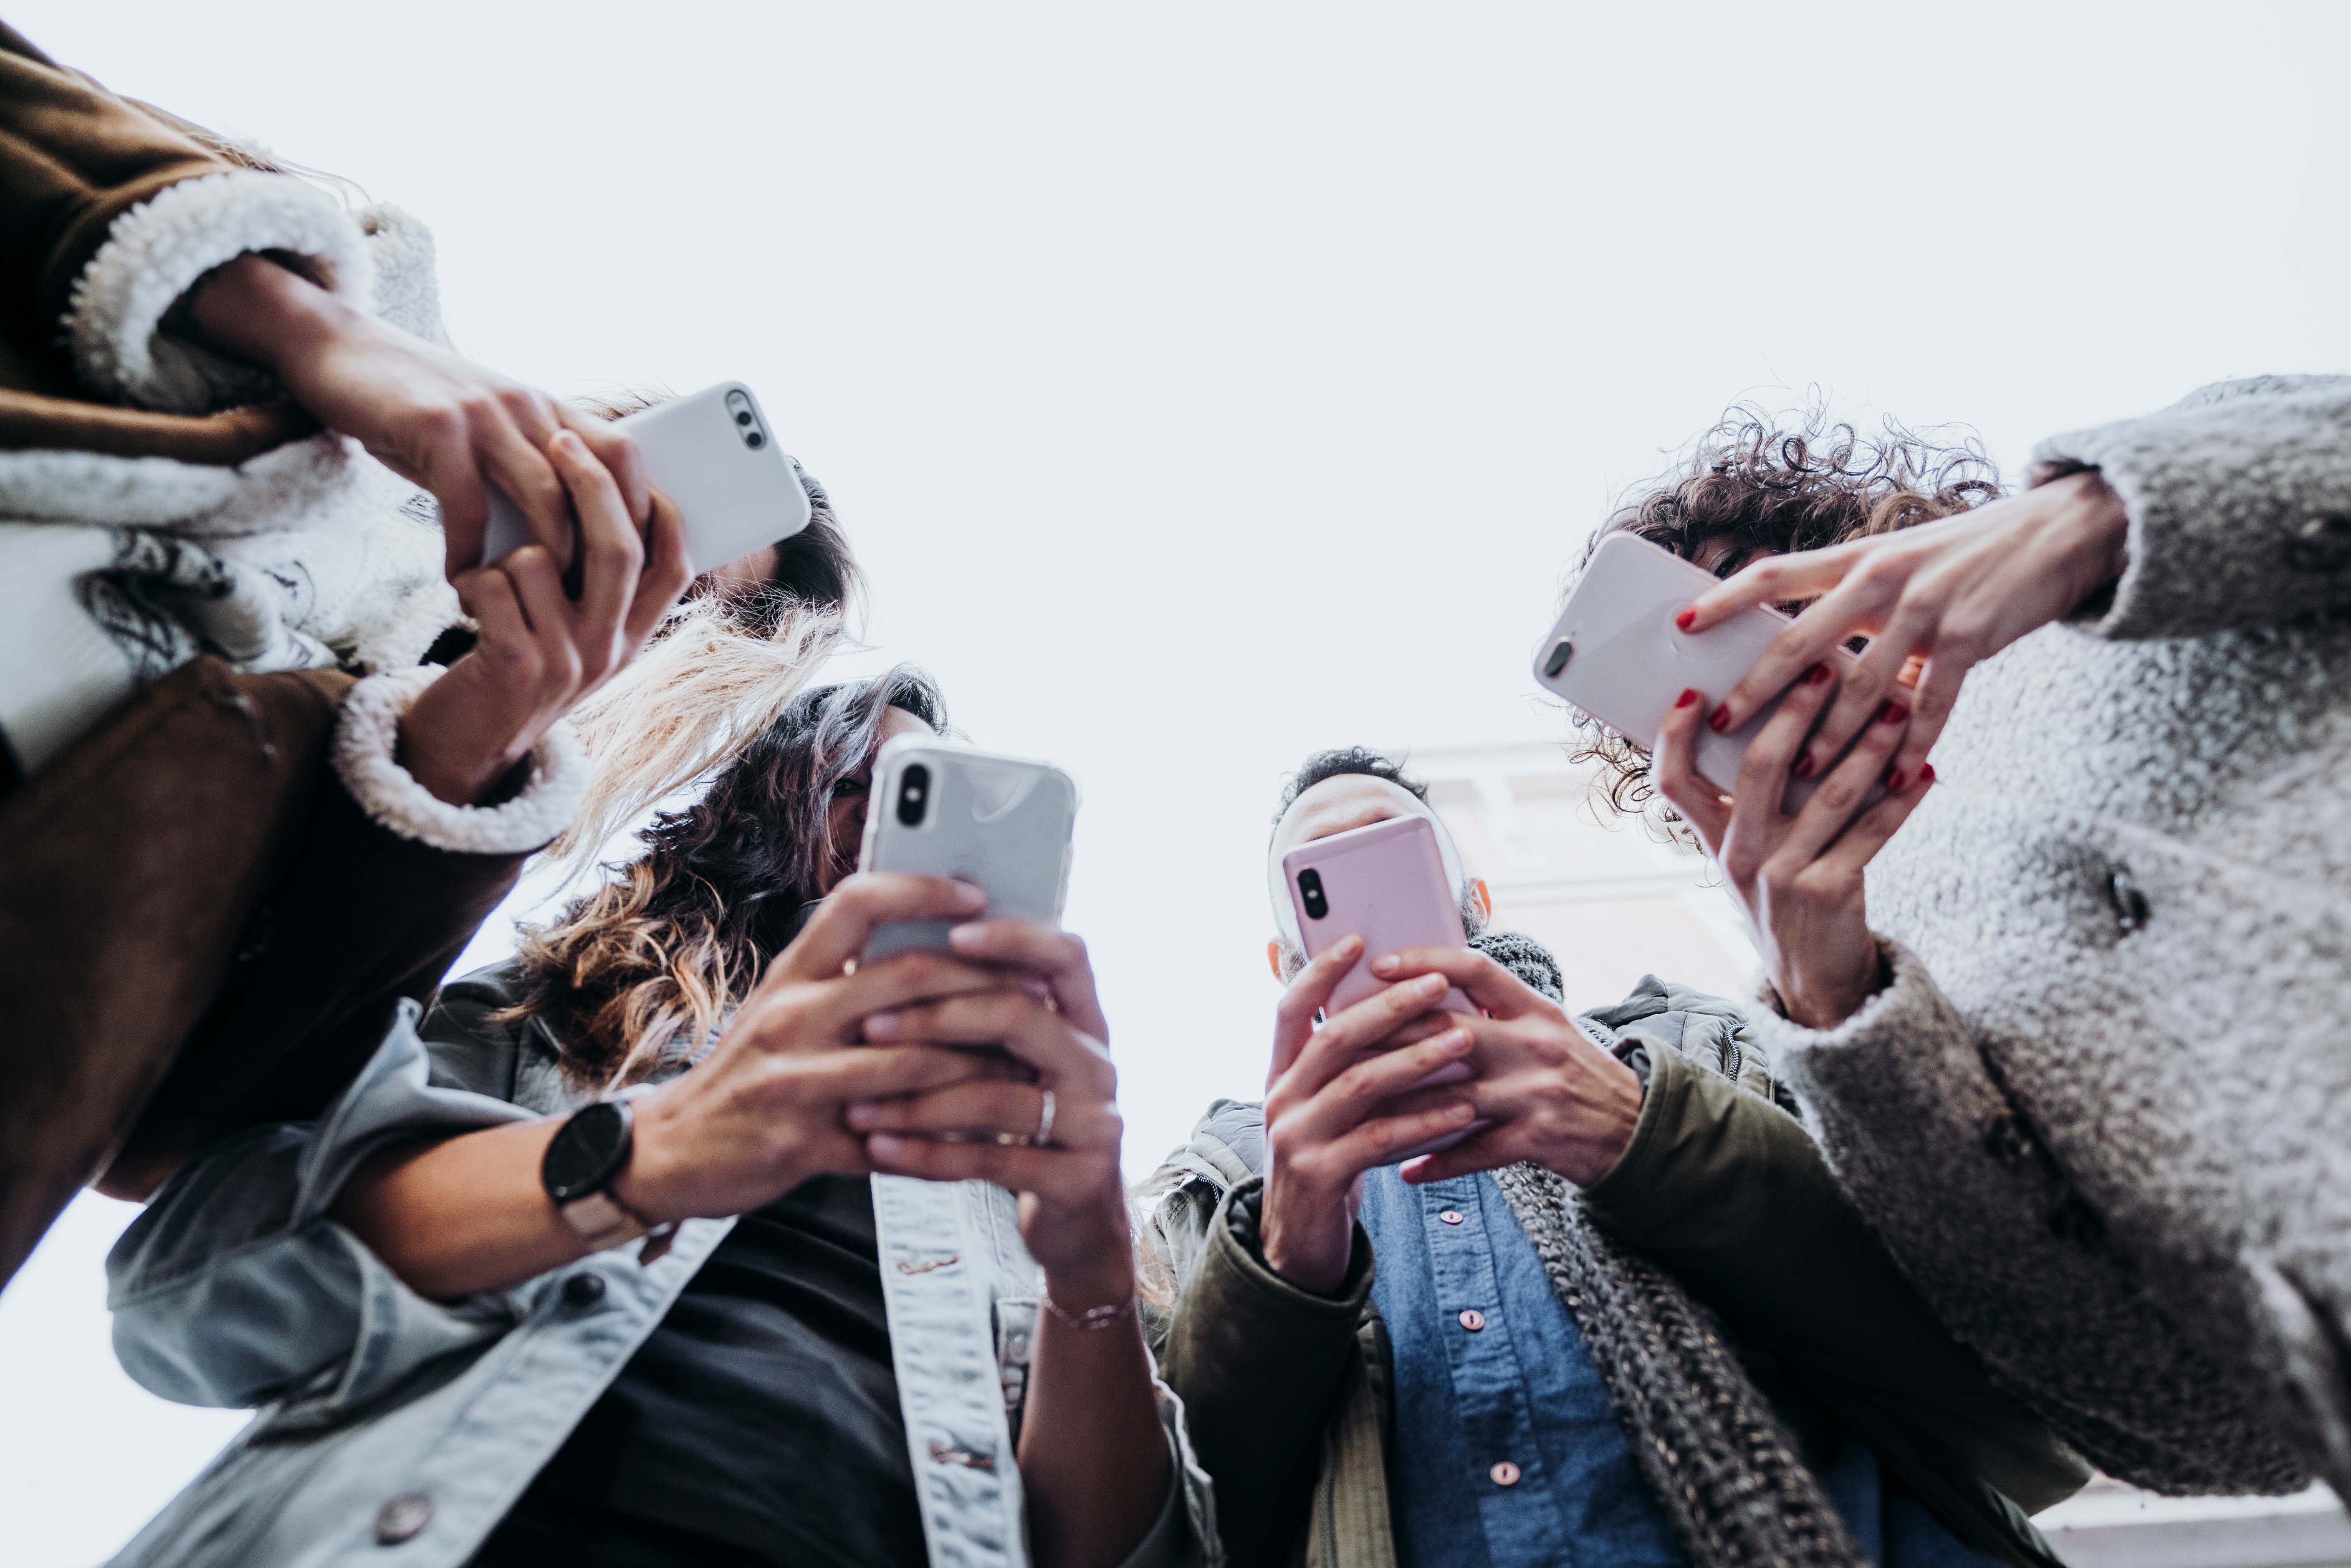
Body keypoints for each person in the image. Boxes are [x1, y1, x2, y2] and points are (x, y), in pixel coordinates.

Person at [0, 19, 847, 1284]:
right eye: (646, 520)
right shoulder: (362, 282)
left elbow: (172, 1141)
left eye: (674, 606)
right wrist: (304, 330)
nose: (626, 576)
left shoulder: (436, 809)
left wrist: (478, 733)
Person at [104, 671, 1217, 1568]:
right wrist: (654, 1152)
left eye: (922, 800)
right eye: (857, 784)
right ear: (771, 805)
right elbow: (190, 1290)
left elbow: (1132, 1551)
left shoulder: (1027, 1165)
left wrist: (1090, 1281)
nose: (887, 831)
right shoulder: (560, 1002)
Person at [1570, 392, 2351, 1501]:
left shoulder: (2131, 565)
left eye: (1756, 597)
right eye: (1691, 702)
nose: (1754, 677)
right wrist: (1841, 1009)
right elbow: (2205, 1437)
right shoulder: (1873, 990)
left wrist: (2107, 516)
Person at [1137, 747, 2084, 1568]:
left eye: (1394, 850)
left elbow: (2000, 1372)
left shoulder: (1695, 1045)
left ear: (1476, 899)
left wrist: (1647, 1134)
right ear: (1283, 960)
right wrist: (1284, 1261)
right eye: (1321, 881)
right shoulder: (1219, 1188)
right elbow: (1195, 1531)